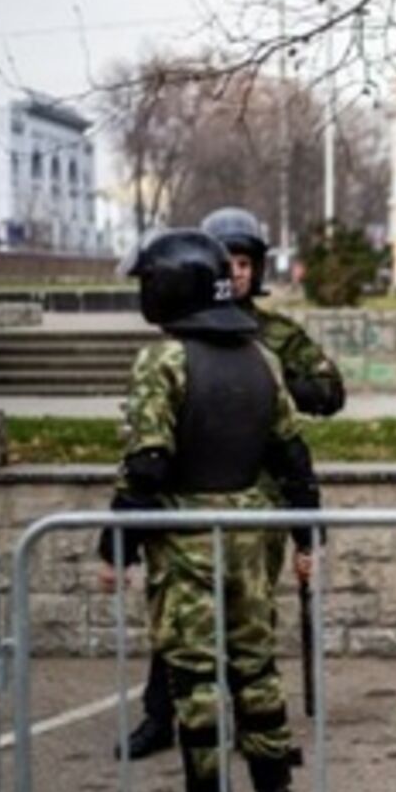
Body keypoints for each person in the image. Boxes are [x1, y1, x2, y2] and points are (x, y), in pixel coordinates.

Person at [99, 228, 321, 792]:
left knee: (194, 676)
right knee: (255, 665)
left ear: (173, 286)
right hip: (253, 536)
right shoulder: (260, 358)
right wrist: (306, 533)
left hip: (188, 538)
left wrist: (115, 547)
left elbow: (146, 462)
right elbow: (293, 455)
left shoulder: (163, 361)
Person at [116, 207, 345, 761]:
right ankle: (161, 715)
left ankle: (258, 736)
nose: (237, 274)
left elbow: (327, 393)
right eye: (229, 263)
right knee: (179, 623)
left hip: (255, 497)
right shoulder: (176, 342)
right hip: (189, 496)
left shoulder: (273, 338)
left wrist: (269, 385)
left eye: (246, 263)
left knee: (248, 625)